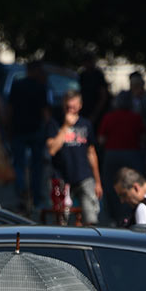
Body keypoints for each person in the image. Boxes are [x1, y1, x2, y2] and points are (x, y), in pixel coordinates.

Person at [42, 90, 100, 224]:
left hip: (84, 176)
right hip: (61, 178)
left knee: (91, 218)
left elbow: (91, 152)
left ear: (80, 106)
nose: (70, 111)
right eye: (68, 107)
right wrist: (66, 127)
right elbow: (52, 149)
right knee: (62, 219)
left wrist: (97, 181)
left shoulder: (86, 124)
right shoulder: (54, 124)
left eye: (73, 107)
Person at [6, 61, 52, 214]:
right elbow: (46, 113)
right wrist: (47, 130)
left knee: (19, 164)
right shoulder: (41, 87)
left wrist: (9, 129)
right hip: (35, 130)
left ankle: (22, 194)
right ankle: (36, 198)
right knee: (36, 166)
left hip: (19, 130)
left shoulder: (17, 85)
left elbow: (10, 109)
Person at [97, 90, 146, 225]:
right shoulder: (136, 117)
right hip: (132, 154)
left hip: (112, 155)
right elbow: (143, 138)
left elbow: (101, 140)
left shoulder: (109, 117)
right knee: (131, 185)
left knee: (111, 186)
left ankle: (114, 217)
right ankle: (129, 216)